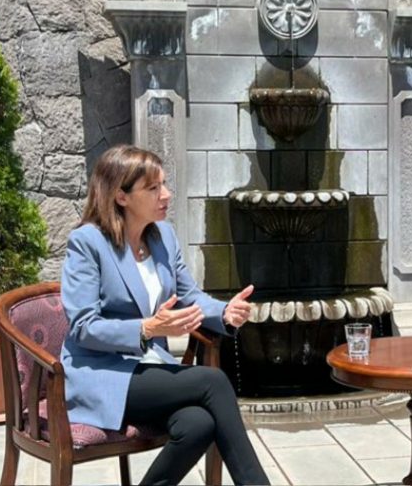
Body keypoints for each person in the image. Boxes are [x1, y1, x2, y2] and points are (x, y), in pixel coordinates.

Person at [61, 145, 270, 486]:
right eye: (153, 187)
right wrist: (146, 328)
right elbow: (84, 327)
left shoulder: (163, 238)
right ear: (121, 196)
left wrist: (225, 312)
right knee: (213, 381)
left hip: (150, 368)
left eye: (164, 184)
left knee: (197, 424)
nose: (166, 194)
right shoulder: (87, 243)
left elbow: (190, 296)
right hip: (102, 373)